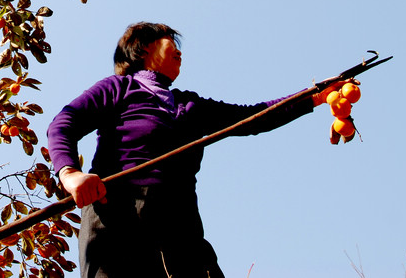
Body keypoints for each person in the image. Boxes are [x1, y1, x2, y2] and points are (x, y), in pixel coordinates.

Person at [46, 22, 332, 278]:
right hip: (118, 219)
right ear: (144, 47)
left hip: (181, 227)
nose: (180, 51)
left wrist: (315, 96)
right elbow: (64, 123)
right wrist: (70, 174)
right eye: (170, 40)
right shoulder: (119, 88)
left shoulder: (189, 104)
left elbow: (253, 118)